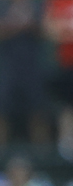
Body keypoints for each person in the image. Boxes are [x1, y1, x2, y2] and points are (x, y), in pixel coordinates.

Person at [0, 0, 49, 145]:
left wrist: (25, 24)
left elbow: (46, 30)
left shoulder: (37, 6)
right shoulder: (2, 6)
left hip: (31, 65)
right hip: (7, 66)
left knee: (38, 109)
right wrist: (19, 25)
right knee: (0, 108)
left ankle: (41, 146)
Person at [46, 0, 73, 157]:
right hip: (65, 62)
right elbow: (49, 29)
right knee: (67, 104)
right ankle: (66, 142)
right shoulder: (57, 2)